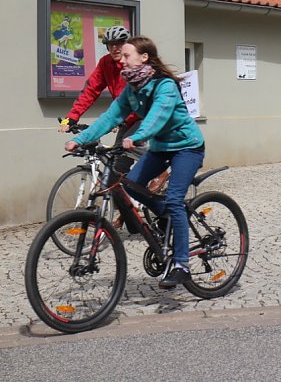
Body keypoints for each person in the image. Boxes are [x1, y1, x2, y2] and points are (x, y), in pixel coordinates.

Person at [65, 36, 205, 288]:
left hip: (187, 148)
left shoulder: (165, 86)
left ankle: (182, 264)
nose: (122, 59)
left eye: (127, 55)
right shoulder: (132, 90)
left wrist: (137, 136)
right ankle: (166, 214)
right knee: (129, 185)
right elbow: (110, 117)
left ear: (144, 58)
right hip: (161, 149)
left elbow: (157, 117)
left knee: (174, 200)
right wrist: (82, 139)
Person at [58, 25, 139, 139]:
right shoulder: (106, 63)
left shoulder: (136, 63)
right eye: (111, 44)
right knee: (118, 154)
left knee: (135, 151)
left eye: (119, 43)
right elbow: (90, 90)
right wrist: (72, 116)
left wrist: (121, 118)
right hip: (123, 119)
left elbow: (141, 98)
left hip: (144, 119)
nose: (115, 48)